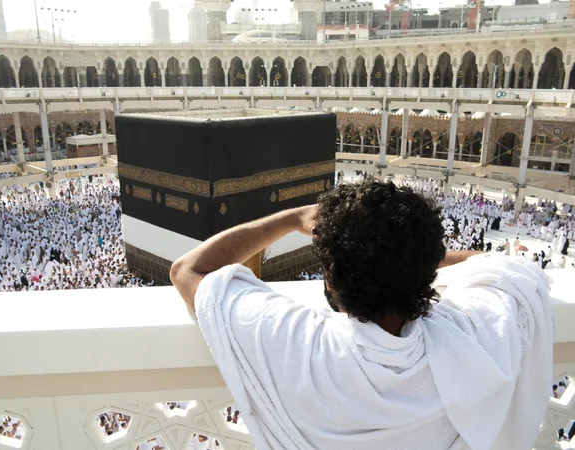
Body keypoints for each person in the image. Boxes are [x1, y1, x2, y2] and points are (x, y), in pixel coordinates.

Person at [170, 178, 554, 450]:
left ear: (333, 284)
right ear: (428, 272)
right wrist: (414, 256)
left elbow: (187, 270)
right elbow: (497, 265)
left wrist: (292, 219)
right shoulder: (476, 340)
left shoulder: (296, 345)